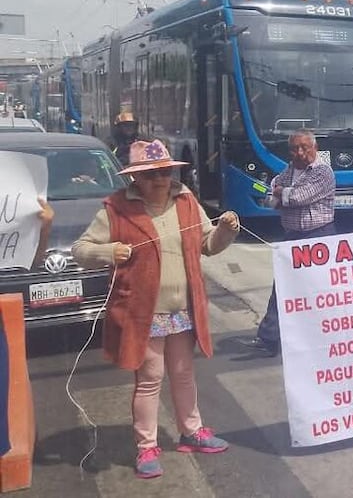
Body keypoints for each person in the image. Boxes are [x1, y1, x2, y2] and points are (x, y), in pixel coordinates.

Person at [72, 139, 240, 480]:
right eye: (150, 175)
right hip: (143, 312)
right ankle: (146, 445)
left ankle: (191, 432)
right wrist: (110, 252)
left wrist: (225, 231)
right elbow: (80, 249)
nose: (159, 180)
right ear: (135, 179)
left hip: (183, 309)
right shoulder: (117, 208)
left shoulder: (187, 201)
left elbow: (208, 246)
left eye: (163, 172)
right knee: (150, 380)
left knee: (183, 373)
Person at [243, 129, 336, 357]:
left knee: (318, 290)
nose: (300, 152)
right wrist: (281, 195)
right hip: (292, 235)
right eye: (295, 148)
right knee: (282, 287)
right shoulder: (288, 171)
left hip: (318, 236)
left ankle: (324, 339)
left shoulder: (323, 172)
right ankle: (269, 339)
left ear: (315, 148)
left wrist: (282, 194)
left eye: (305, 147)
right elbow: (269, 199)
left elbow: (298, 197)